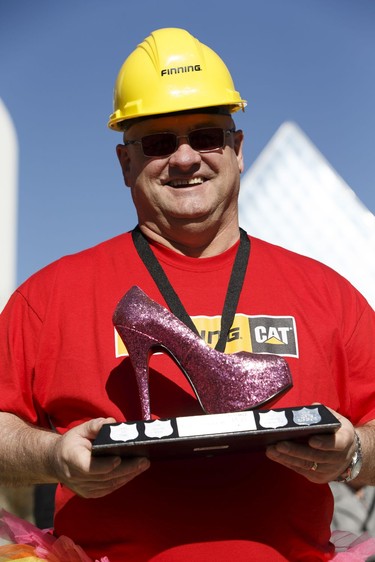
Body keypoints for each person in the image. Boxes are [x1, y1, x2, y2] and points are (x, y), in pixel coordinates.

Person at [0, 27, 375, 562]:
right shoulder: (49, 296)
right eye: (157, 142)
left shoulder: (328, 294)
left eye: (206, 136)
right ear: (125, 163)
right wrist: (51, 455)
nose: (184, 158)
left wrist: (354, 452)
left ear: (237, 150)